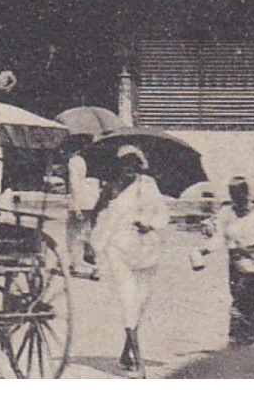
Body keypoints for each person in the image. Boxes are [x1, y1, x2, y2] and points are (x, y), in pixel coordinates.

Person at [92, 145, 169, 375]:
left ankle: (127, 352)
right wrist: (94, 243)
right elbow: (96, 215)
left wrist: (150, 224)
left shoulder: (148, 186)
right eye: (124, 165)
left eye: (133, 165)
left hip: (146, 249)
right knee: (128, 299)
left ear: (139, 167)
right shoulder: (111, 189)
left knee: (142, 301)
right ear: (119, 167)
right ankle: (139, 360)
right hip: (118, 249)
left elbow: (163, 213)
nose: (129, 170)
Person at [193, 176, 254, 348]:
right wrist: (203, 250)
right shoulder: (226, 213)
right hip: (234, 262)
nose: (236, 199)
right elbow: (220, 237)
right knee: (242, 300)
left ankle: (235, 341)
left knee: (241, 302)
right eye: (232, 195)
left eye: (239, 194)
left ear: (246, 193)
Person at [66, 149, 101, 279]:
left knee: (74, 235)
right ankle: (98, 266)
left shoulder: (75, 160)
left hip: (81, 200)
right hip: (95, 200)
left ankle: (75, 263)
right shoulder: (99, 157)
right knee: (92, 234)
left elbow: (74, 184)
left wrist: (76, 206)